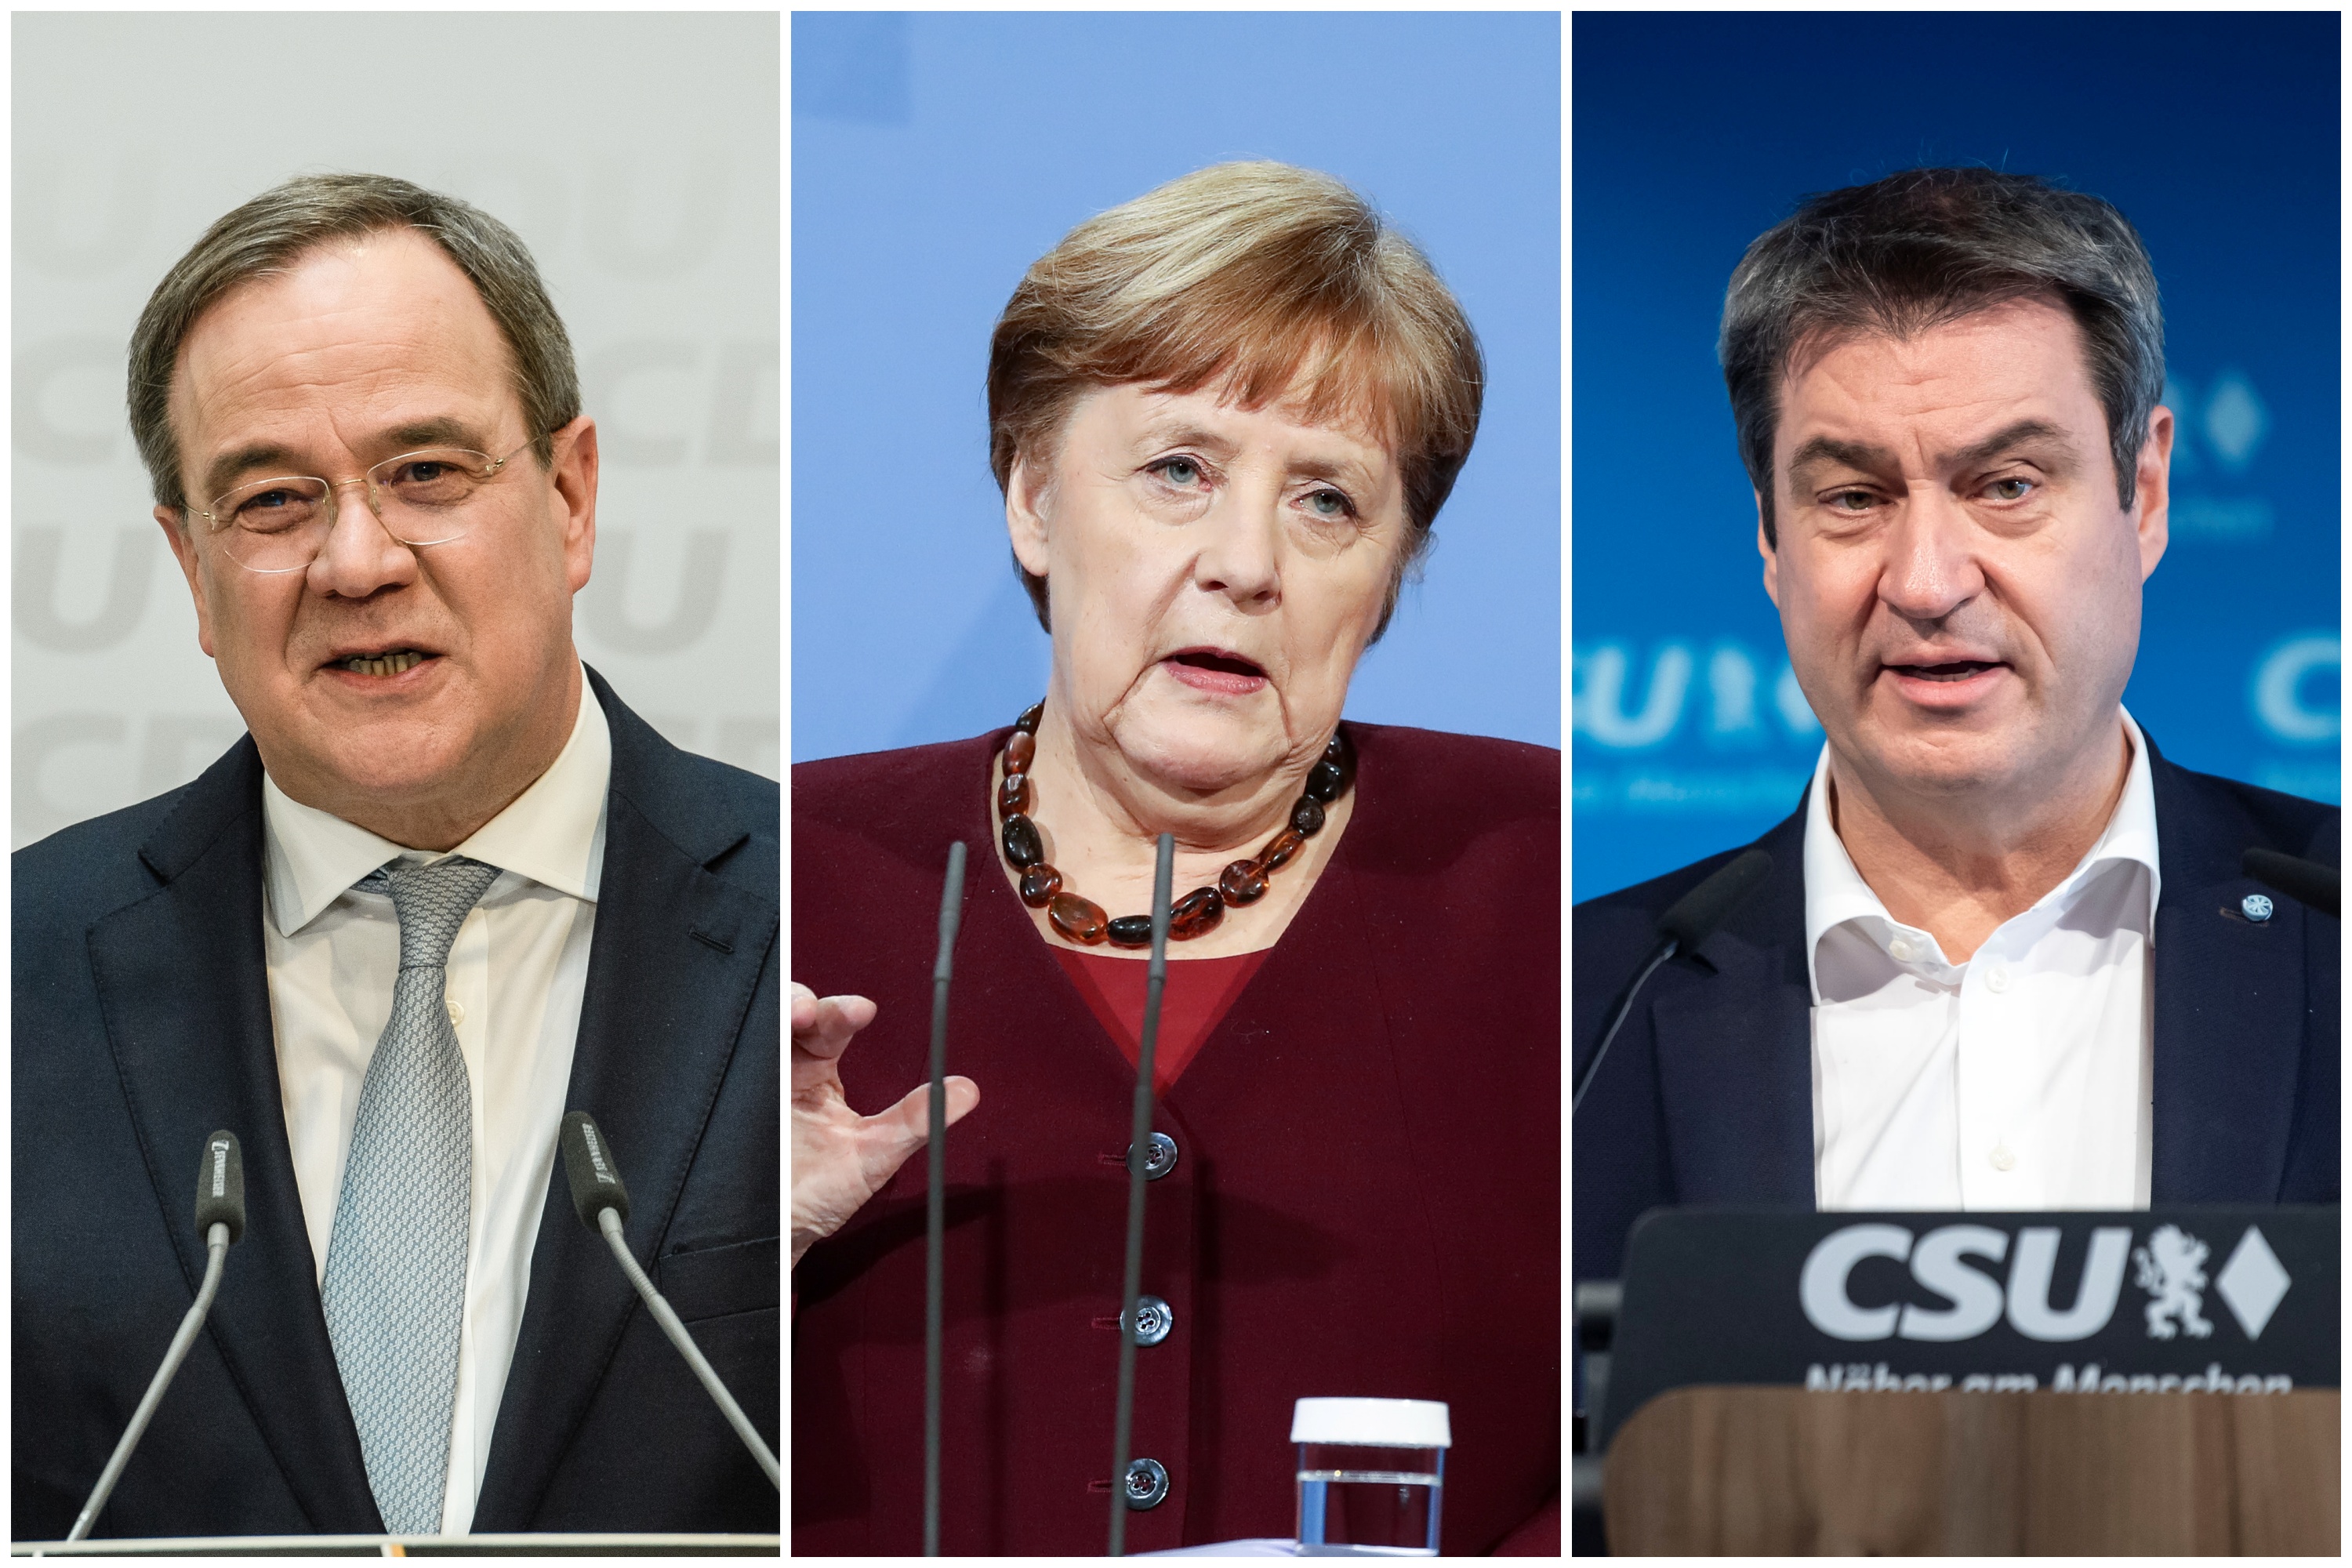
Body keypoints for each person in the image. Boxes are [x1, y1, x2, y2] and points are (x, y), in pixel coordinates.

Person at [792, 162, 1559, 1555]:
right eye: (1179, 471)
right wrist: (727, 1248)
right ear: (1033, 499)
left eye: (1328, 501)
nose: (1245, 562)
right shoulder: (780, 880)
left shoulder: (1548, 880)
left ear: (1392, 571)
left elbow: (1667, 1427)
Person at [12, 175, 778, 1541]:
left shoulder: (826, 916)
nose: (356, 561)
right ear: (190, 570)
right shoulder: (27, 967)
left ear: (571, 496)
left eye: (425, 472)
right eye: (271, 501)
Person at [1574, 169, 2339, 1299]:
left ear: (2147, 491)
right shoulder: (1586, 1005)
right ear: (1770, 539)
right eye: (1852, 498)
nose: (1928, 582)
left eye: (2009, 484)